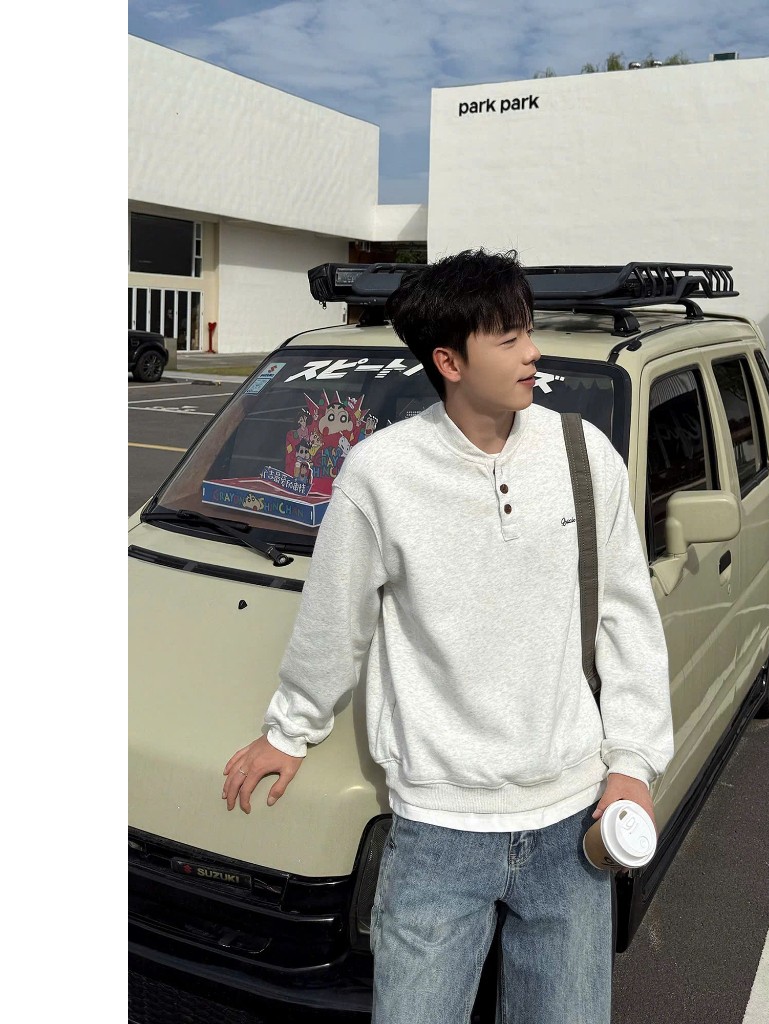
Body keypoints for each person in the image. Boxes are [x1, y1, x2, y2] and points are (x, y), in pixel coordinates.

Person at [221, 249, 674, 1024]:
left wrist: (632, 765)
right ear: (449, 362)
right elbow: (335, 620)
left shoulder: (582, 455)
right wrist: (289, 731)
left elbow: (627, 618)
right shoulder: (380, 473)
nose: (533, 353)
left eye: (529, 331)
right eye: (509, 338)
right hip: (437, 830)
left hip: (570, 821)